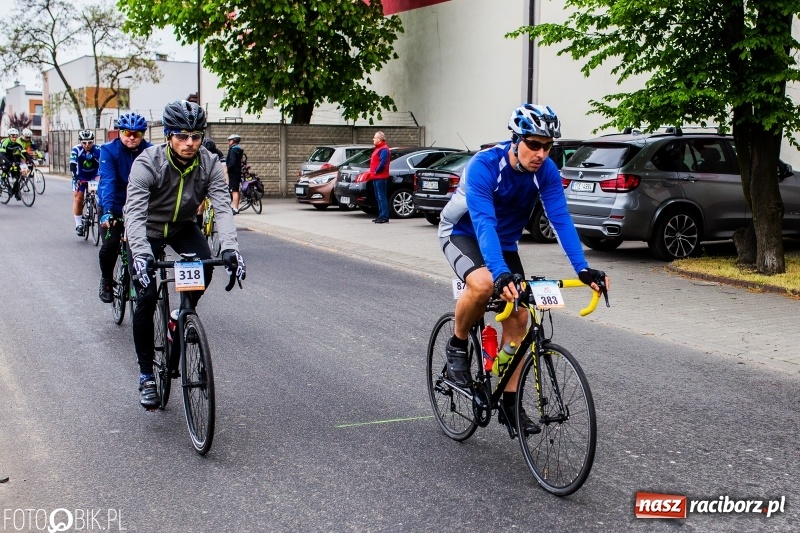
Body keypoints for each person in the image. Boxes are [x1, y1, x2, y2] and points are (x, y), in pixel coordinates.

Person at [437, 104, 610, 434]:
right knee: (485, 283)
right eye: (534, 144)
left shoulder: (545, 172)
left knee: (519, 317)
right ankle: (457, 345)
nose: (541, 153)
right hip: (463, 234)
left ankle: (510, 402)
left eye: (548, 146)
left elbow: (560, 219)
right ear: (515, 140)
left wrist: (584, 269)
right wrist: (501, 274)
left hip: (503, 245)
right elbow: (484, 223)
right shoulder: (485, 166)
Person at [125, 100, 245, 409]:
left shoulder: (209, 163)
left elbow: (222, 206)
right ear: (168, 135)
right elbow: (135, 215)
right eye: (181, 136)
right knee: (147, 295)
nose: (190, 143)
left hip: (181, 226)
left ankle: (181, 314)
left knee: (206, 264)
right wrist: (140, 255)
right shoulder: (147, 163)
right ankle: (146, 376)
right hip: (148, 230)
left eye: (196, 135)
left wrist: (230, 248)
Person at [96, 113, 152, 303]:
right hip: (114, 204)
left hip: (140, 206)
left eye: (136, 134)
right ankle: (106, 279)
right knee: (110, 245)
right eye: (127, 133)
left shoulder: (150, 151)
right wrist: (109, 212)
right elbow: (108, 181)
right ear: (120, 132)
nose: (131, 138)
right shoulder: (108, 150)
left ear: (143, 135)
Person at [69, 130, 101, 236]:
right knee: (78, 198)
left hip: (94, 176)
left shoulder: (98, 150)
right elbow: (72, 165)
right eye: (84, 143)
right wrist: (76, 177)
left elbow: (105, 165)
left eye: (90, 142)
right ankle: (79, 224)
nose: (87, 145)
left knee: (102, 196)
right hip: (80, 176)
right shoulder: (76, 149)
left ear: (93, 141)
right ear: (80, 142)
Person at [0, 128, 33, 198]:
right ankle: (1, 181)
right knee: (6, 167)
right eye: (12, 136)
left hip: (11, 156)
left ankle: (16, 191)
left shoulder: (18, 142)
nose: (14, 138)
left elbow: (24, 153)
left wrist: (29, 159)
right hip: (3, 156)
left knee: (18, 174)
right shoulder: (5, 142)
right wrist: (9, 163)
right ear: (9, 136)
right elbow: (2, 154)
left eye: (16, 136)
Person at [369, 131, 390, 223]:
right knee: (378, 197)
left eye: (375, 137)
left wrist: (376, 171)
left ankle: (384, 216)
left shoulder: (384, 149)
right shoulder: (378, 148)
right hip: (376, 177)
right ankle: (381, 215)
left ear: (379, 139)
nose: (373, 139)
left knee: (381, 196)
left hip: (380, 176)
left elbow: (383, 163)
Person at [225, 134, 244, 214]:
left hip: (233, 173)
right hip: (237, 172)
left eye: (230, 140)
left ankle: (235, 209)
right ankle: (236, 207)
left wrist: (227, 169)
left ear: (233, 141)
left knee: (234, 191)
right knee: (236, 190)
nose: (229, 142)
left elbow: (232, 163)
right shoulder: (238, 150)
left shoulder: (233, 150)